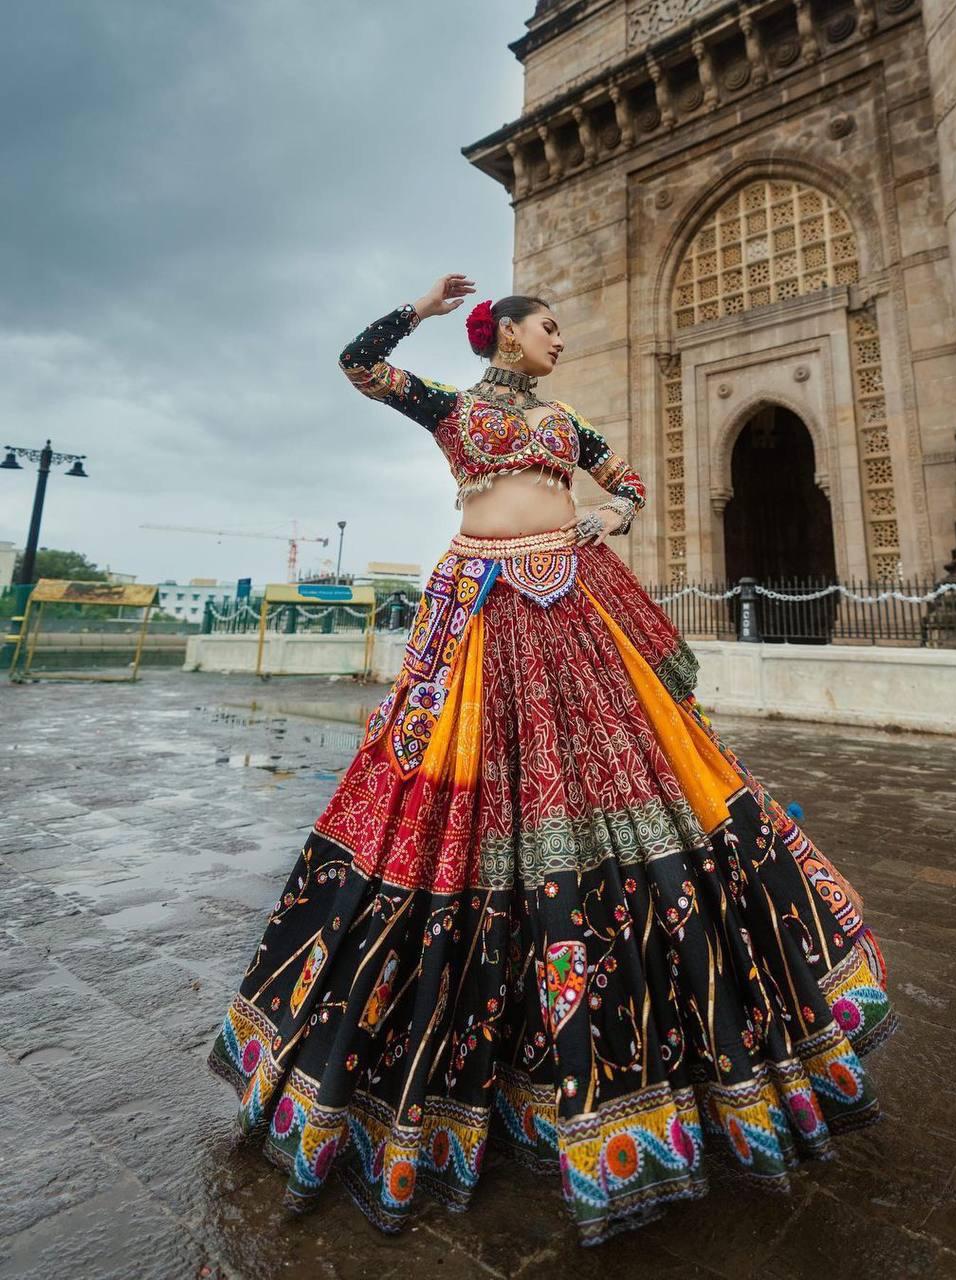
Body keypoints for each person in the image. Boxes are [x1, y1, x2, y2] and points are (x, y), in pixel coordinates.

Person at [208, 272, 898, 1247]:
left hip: (571, 613)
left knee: (634, 801)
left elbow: (628, 487)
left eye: (562, 329)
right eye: (548, 327)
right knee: (455, 824)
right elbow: (358, 366)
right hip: (480, 621)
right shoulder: (449, 411)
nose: (560, 340)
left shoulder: (567, 423)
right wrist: (419, 309)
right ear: (508, 336)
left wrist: (604, 519)